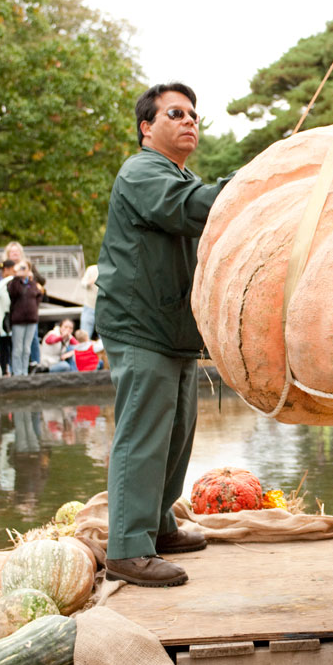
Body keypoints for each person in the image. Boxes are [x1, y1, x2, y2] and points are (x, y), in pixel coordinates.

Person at [98, 82, 234, 587]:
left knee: (175, 435)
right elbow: (190, 207)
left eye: (194, 114)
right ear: (146, 127)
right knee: (144, 436)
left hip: (172, 327)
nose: (189, 120)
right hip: (141, 326)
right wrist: (254, 181)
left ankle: (156, 526)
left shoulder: (181, 175)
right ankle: (128, 550)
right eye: (175, 113)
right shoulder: (142, 172)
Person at [7, 261, 43, 376]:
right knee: (18, 348)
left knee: (27, 348)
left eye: (25, 268)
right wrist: (16, 276)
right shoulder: (14, 283)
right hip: (18, 320)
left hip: (31, 319)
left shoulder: (32, 284)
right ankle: (17, 372)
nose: (23, 270)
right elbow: (13, 293)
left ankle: (25, 371)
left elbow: (38, 296)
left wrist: (34, 309)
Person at [0, 260, 16, 376]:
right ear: (6, 269)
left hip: (12, 316)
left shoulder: (14, 281)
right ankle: (3, 370)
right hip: (0, 316)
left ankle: (12, 368)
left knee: (12, 344)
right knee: (3, 345)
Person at [80, 264, 99, 340]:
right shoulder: (91, 269)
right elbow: (83, 283)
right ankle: (83, 350)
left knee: (104, 336)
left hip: (104, 308)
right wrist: (90, 282)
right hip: (89, 307)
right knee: (85, 334)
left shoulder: (110, 268)